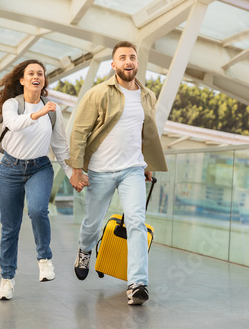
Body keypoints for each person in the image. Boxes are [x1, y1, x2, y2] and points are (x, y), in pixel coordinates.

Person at [67, 41, 168, 305]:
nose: (128, 61)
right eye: (122, 57)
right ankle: (84, 250)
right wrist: (77, 170)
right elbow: (78, 132)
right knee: (92, 222)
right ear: (114, 64)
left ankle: (137, 283)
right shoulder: (98, 93)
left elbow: (146, 134)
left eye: (132, 57)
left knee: (136, 221)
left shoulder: (147, 96)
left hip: (132, 170)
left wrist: (147, 165)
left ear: (137, 63)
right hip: (100, 171)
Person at [0, 59, 86, 300]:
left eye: (41, 74)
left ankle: (44, 259)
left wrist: (72, 174)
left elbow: (61, 147)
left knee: (37, 210)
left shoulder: (52, 111)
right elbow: (13, 125)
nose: (36, 76)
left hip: (39, 167)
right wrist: (39, 112)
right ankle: (7, 279)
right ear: (22, 80)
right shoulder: (11, 105)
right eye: (31, 73)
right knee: (9, 228)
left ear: (43, 81)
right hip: (10, 168)